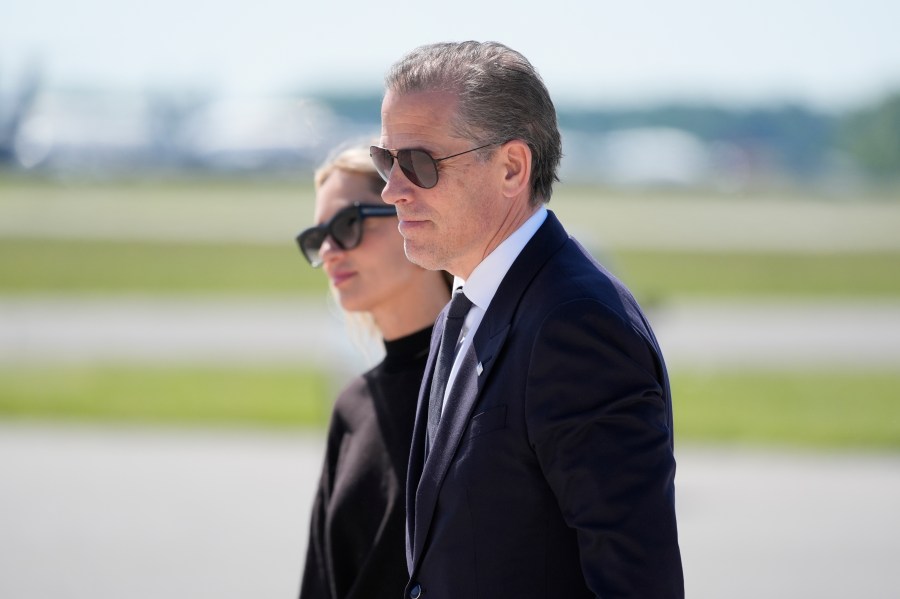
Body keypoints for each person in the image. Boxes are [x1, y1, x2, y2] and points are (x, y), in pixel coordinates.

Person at [370, 41, 684, 598]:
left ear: (513, 167)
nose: (392, 190)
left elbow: (638, 583)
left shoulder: (576, 326)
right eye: (385, 161)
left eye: (417, 164)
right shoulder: (464, 308)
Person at [296, 144, 451, 599]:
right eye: (316, 237)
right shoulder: (353, 406)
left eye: (347, 225)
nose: (328, 252)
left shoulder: (485, 381)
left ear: (409, 212)